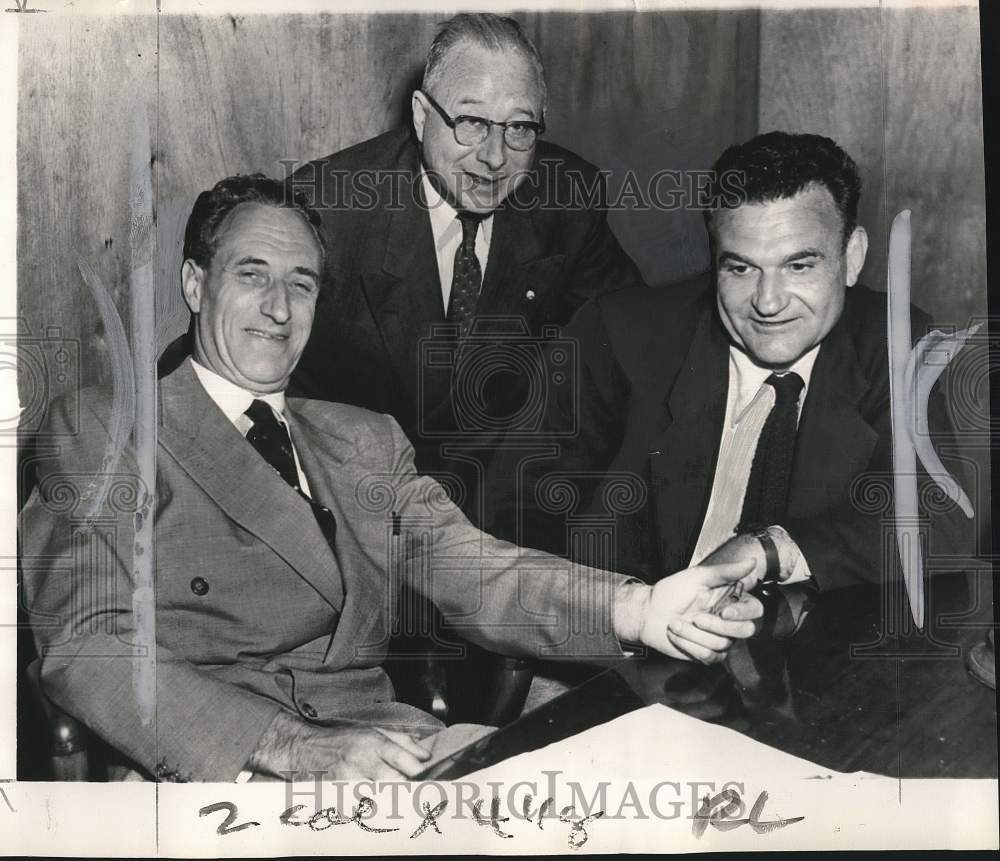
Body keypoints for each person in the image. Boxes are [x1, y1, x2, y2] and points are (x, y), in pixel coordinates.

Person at [19, 174, 762, 783]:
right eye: (253, 277)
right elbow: (89, 646)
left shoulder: (362, 438)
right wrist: (286, 745)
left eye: (302, 284)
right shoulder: (102, 426)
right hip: (212, 775)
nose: (279, 309)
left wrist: (636, 607)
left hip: (387, 753)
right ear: (193, 281)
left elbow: (477, 572)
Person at [493, 131, 972, 595]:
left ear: (852, 257)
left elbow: (943, 519)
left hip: (790, 653)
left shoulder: (896, 344)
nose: (767, 302)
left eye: (798, 266)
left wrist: (768, 552)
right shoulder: (619, 336)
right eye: (740, 268)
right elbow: (507, 521)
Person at [285, 12, 644, 503]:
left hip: (509, 502)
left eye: (519, 127)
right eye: (472, 121)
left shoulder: (568, 197)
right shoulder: (327, 207)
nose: (495, 156)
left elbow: (632, 343)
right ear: (420, 114)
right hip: (360, 499)